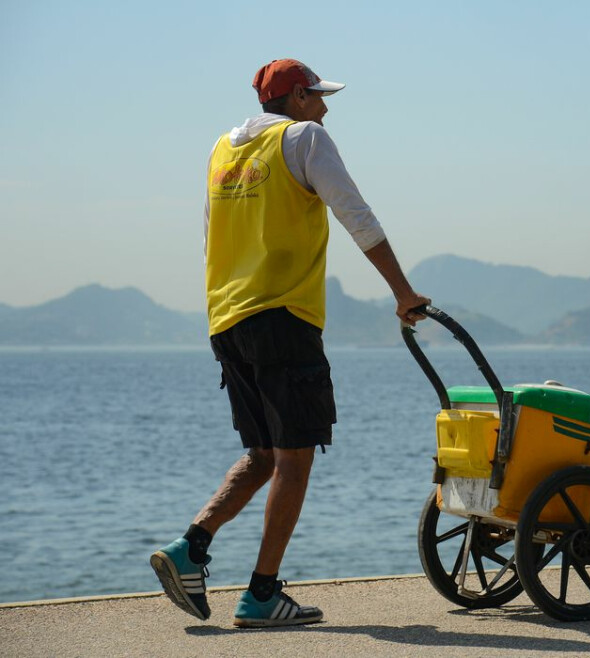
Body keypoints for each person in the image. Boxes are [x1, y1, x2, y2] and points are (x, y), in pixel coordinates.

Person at [151, 59, 430, 628]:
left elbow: (210, 238)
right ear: (298, 97)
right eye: (320, 97)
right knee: (296, 457)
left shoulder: (222, 151)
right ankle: (261, 594)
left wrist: (223, 315)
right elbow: (358, 216)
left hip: (228, 319)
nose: (326, 108)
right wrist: (403, 293)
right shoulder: (305, 139)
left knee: (263, 454)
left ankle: (191, 548)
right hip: (283, 318)